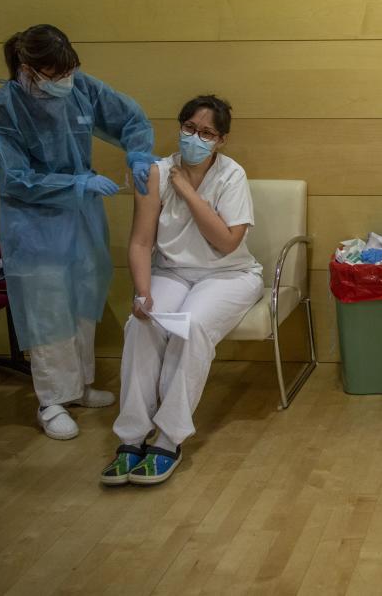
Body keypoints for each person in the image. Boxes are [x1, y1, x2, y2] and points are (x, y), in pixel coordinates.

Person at [0, 24, 155, 440]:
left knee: (82, 295)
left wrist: (139, 152)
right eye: (55, 75)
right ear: (29, 69)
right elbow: (14, 177)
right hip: (35, 223)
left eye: (68, 71)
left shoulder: (79, 88)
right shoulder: (5, 107)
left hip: (81, 218)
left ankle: (79, 386)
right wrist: (75, 184)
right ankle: (51, 400)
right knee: (47, 307)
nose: (64, 82)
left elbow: (128, 116)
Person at [102, 95, 263, 486]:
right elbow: (141, 242)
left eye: (206, 133)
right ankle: (132, 437)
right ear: (179, 127)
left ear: (220, 140)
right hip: (172, 272)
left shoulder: (230, 175)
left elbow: (227, 242)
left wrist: (188, 192)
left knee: (189, 326)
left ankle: (169, 438)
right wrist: (142, 294)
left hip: (229, 275)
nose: (195, 138)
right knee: (140, 326)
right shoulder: (154, 172)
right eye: (190, 128)